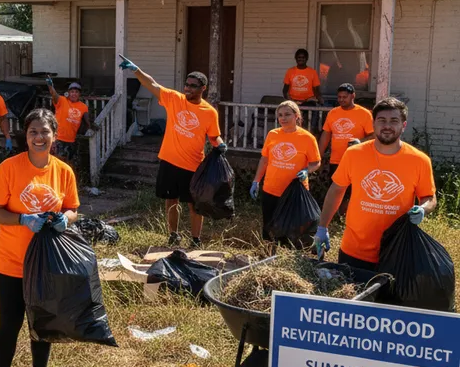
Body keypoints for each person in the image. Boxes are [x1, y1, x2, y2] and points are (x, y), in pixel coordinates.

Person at [0, 109, 79, 367]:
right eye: (33, 132)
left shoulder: (63, 171)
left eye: (44, 132)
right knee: (10, 325)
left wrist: (66, 218)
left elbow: (73, 208)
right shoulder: (9, 168)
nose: (39, 137)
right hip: (12, 263)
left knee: (43, 325)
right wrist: (23, 219)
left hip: (47, 264)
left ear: (55, 134)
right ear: (26, 136)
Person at [315, 97, 437, 271]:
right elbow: (336, 189)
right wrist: (322, 227)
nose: (387, 126)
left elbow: (429, 197)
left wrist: (423, 208)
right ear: (373, 124)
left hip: (396, 250)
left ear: (403, 125)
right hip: (354, 250)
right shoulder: (354, 154)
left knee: (389, 298)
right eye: (382, 120)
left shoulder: (419, 160)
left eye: (394, 121)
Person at [119, 58, 224, 247]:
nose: (188, 89)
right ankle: (173, 234)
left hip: (193, 165)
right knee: (171, 201)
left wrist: (221, 144)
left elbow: (214, 137)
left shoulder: (209, 112)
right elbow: (152, 84)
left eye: (193, 86)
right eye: (187, 85)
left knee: (194, 205)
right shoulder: (174, 99)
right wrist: (136, 70)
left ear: (203, 89)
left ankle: (196, 239)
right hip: (169, 161)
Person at [250, 101, 321, 241]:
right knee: (269, 225)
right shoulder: (272, 134)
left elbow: (316, 162)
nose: (283, 118)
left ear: (296, 116)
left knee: (292, 228)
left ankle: (288, 255)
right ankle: (269, 253)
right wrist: (256, 181)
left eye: (287, 114)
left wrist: (307, 170)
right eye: (280, 115)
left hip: (294, 192)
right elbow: (264, 160)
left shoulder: (307, 138)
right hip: (271, 189)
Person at [318, 83, 374, 175]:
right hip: (336, 161)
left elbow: (374, 136)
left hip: (357, 161)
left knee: (354, 189)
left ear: (353, 96)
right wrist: (319, 157)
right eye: (339, 97)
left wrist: (360, 141)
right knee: (335, 188)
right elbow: (326, 135)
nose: (341, 100)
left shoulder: (364, 113)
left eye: (344, 97)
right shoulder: (333, 113)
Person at [46, 79, 94, 165]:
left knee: (69, 164)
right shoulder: (62, 100)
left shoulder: (83, 107)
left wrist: (91, 127)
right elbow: (54, 94)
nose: (74, 94)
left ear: (79, 94)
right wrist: (50, 86)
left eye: (76, 92)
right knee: (56, 163)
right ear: (68, 93)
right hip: (57, 139)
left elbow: (87, 121)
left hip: (71, 140)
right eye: (72, 92)